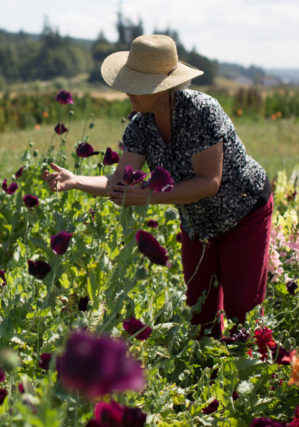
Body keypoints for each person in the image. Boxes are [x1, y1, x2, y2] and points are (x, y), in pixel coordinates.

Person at [43, 35, 273, 338]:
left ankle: (263, 378)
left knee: (243, 313)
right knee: (199, 315)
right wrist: (76, 181)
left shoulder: (202, 112)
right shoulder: (140, 125)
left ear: (163, 88)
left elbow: (210, 183)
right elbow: (118, 183)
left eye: (136, 85)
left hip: (243, 213)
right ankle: (209, 376)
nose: (127, 91)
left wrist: (149, 196)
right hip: (198, 223)